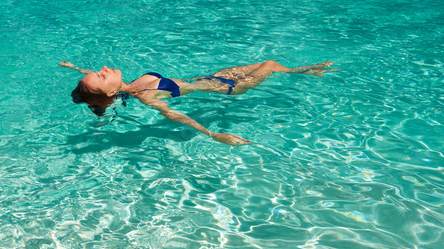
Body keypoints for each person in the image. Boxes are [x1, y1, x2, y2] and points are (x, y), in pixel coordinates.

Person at [61, 59, 338, 146]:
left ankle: (308, 71)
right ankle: (311, 70)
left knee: (268, 64)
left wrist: (74, 68)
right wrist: (214, 134)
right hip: (229, 89)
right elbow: (175, 116)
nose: (105, 68)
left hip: (209, 78)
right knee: (271, 64)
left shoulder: (122, 87)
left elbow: (89, 78)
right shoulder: (145, 96)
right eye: (102, 75)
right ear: (109, 94)